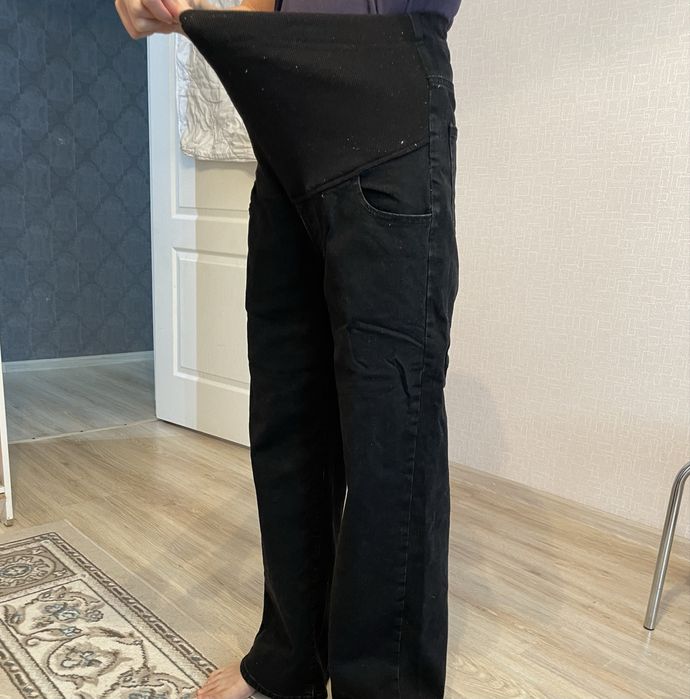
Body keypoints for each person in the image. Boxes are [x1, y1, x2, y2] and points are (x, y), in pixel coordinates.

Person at [114, 2, 461, 698]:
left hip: (383, 91)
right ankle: (292, 654)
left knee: (390, 433)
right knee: (288, 410)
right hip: (284, 121)